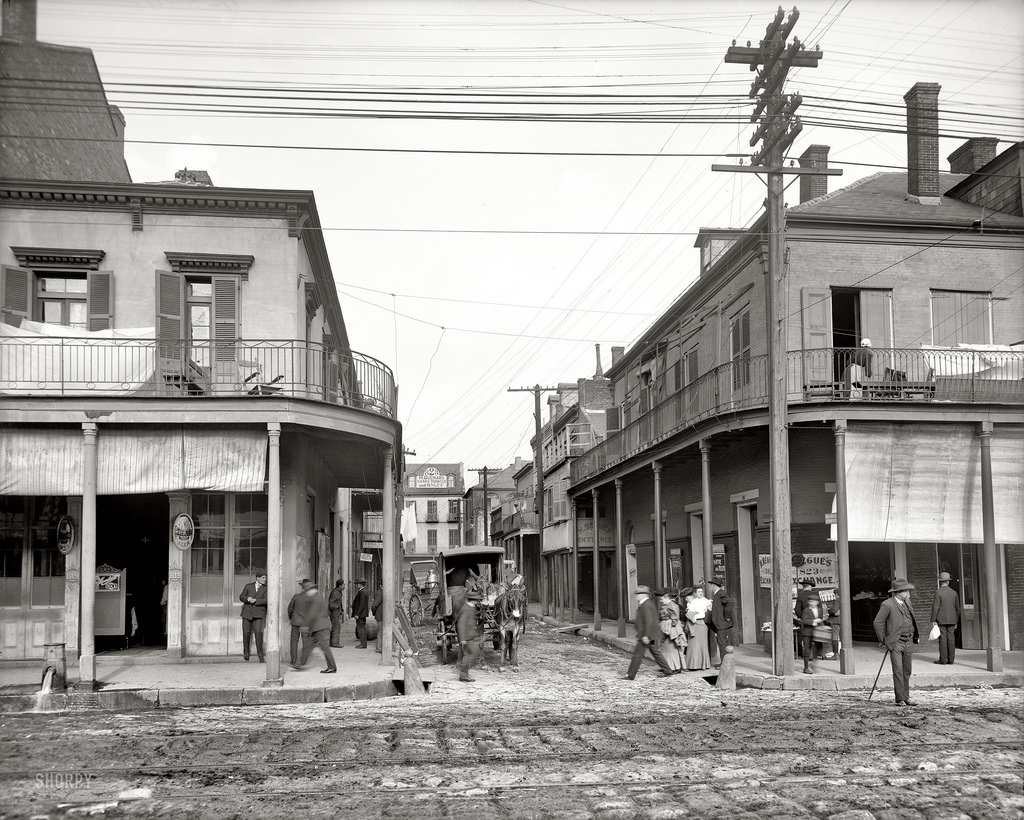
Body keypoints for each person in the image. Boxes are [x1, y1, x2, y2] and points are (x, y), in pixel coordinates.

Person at [873, 578, 920, 707]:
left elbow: (912, 619)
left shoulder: (907, 603)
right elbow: (878, 622)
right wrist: (884, 640)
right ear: (899, 592)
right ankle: (900, 699)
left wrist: (915, 634)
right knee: (898, 670)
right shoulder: (887, 604)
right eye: (906, 591)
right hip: (896, 642)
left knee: (907, 670)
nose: (909, 594)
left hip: (909, 640)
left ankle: (906, 697)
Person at [626, 585, 678, 679]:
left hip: (646, 634)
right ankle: (667, 670)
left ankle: (631, 675)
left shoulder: (646, 604)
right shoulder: (647, 603)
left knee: (638, 654)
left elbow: (649, 621)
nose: (637, 596)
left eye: (638, 594)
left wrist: (646, 635)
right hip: (648, 634)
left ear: (643, 594)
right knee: (655, 653)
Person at [291, 579, 337, 674]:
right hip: (316, 627)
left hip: (320, 627)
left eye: (305, 589)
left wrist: (305, 625)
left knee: (324, 647)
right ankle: (300, 664)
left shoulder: (314, 598)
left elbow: (312, 613)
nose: (304, 591)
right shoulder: (316, 596)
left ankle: (332, 667)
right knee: (307, 645)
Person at [930, 571, 961, 665]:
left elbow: (936, 607)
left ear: (940, 581)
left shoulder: (938, 592)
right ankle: (951, 660)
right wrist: (956, 620)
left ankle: (943, 659)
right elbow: (957, 608)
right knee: (951, 638)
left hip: (941, 619)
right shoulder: (954, 593)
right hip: (952, 619)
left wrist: (933, 620)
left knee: (943, 639)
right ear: (948, 582)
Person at [238, 570, 268, 662]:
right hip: (247, 613)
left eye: (265, 577)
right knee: (246, 633)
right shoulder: (248, 586)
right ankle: (246, 652)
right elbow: (241, 596)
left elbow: (267, 600)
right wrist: (248, 598)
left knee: (258, 633)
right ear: (257, 578)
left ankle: (260, 654)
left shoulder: (266, 588)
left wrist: (256, 601)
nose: (265, 579)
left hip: (258, 613)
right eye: (263, 577)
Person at [456, 589, 483, 682]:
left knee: (469, 654)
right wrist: (462, 638)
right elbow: (461, 624)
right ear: (473, 600)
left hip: (470, 636)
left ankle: (464, 675)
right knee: (472, 654)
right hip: (467, 637)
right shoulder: (466, 608)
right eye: (477, 600)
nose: (478, 601)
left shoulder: (471, 608)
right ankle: (463, 673)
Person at [708, 576, 734, 668]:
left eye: (712, 585)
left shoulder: (720, 593)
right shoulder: (717, 594)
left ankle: (724, 663)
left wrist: (726, 616)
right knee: (722, 643)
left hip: (721, 623)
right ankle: (723, 662)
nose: (711, 587)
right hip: (719, 623)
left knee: (722, 644)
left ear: (714, 586)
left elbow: (729, 603)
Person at [684, 586, 712, 671]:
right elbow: (690, 613)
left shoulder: (707, 601)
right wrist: (693, 616)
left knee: (703, 645)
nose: (700, 593)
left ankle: (704, 665)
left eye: (701, 591)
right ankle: (693, 665)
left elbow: (709, 612)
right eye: (698, 592)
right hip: (694, 624)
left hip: (702, 624)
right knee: (693, 645)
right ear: (695, 593)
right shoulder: (692, 602)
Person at [657, 588, 686, 671]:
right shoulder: (666, 606)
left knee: (671, 649)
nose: (661, 601)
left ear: (667, 598)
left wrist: (668, 626)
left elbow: (675, 619)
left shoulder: (672, 606)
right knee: (666, 649)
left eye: (662, 599)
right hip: (666, 629)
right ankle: (668, 666)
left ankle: (675, 667)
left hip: (671, 630)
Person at [799, 595, 828, 674]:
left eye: (815, 602)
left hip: (817, 632)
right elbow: (804, 620)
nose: (813, 603)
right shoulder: (806, 610)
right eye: (811, 601)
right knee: (807, 650)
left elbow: (821, 619)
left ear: (817, 602)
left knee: (819, 648)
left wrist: (822, 626)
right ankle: (806, 667)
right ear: (809, 602)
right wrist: (814, 621)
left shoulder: (820, 610)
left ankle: (814, 663)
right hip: (807, 632)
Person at [287, 578, 311, 665]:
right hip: (305, 624)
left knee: (294, 641)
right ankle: (303, 661)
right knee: (305, 641)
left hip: (296, 622)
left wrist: (292, 617)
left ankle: (293, 660)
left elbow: (290, 608)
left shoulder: (296, 597)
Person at [350, 578, 369, 648]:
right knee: (361, 628)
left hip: (361, 614)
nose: (356, 586)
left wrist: (357, 614)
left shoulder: (362, 592)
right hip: (362, 613)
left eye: (357, 584)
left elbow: (361, 604)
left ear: (360, 584)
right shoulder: (363, 591)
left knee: (361, 629)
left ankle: (363, 644)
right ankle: (363, 643)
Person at [328, 579, 344, 647]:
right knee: (336, 627)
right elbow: (330, 604)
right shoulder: (335, 592)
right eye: (343, 585)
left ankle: (333, 643)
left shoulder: (339, 592)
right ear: (340, 585)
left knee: (336, 627)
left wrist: (341, 609)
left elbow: (339, 602)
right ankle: (335, 643)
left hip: (337, 612)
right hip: (334, 613)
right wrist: (337, 607)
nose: (344, 586)